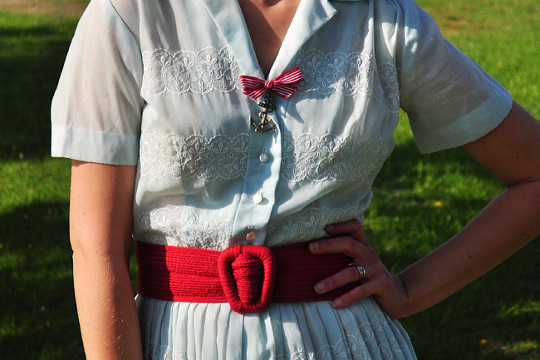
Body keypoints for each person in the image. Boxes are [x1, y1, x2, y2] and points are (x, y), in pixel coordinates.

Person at [51, 0, 540, 358]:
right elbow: (97, 248)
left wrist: (412, 290)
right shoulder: (131, 12)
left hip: (346, 341)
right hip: (176, 339)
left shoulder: (383, 22)